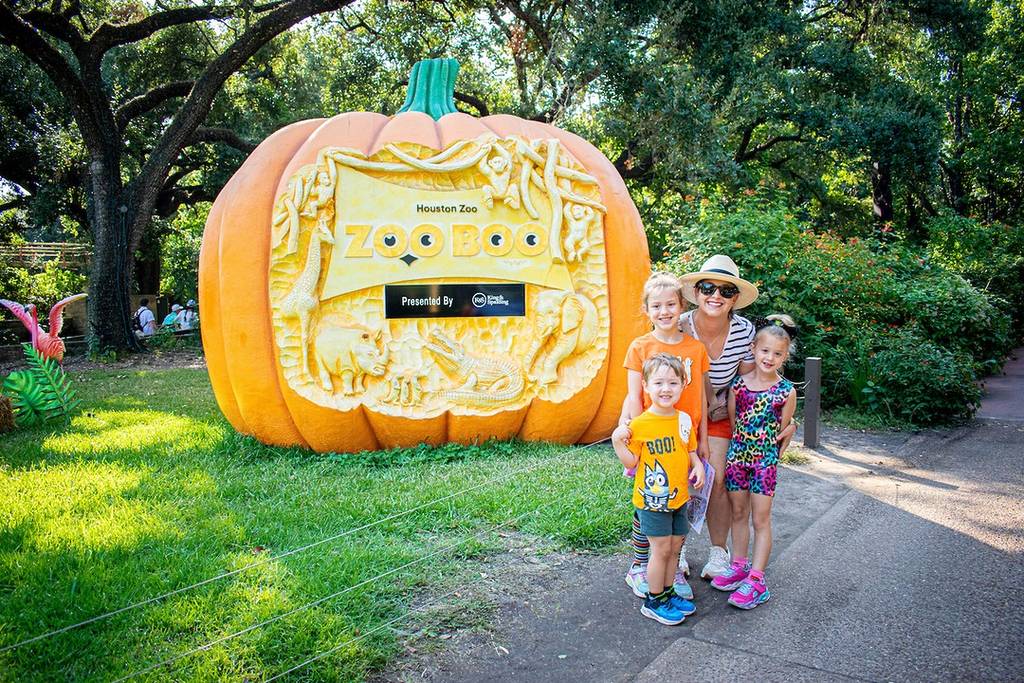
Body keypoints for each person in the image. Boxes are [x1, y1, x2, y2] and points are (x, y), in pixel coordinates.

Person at [677, 254, 795, 579]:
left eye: (726, 291)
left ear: (735, 299)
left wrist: (787, 419)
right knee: (680, 479)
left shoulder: (744, 331)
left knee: (716, 481)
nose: (716, 295)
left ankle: (719, 552)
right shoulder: (679, 324)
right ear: (697, 292)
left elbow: (747, 383)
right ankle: (677, 550)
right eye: (708, 287)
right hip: (681, 413)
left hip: (719, 412)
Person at [619, 272, 709, 602]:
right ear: (647, 309)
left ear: (681, 306)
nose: (664, 311)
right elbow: (632, 396)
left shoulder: (695, 348)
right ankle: (641, 565)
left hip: (684, 442)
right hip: (650, 439)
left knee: (678, 501)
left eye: (670, 304)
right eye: (656, 306)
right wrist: (629, 435)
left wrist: (702, 441)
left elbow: (699, 397)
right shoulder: (640, 347)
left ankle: (673, 566)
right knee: (650, 501)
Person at [710, 315, 797, 609]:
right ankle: (738, 565)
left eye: (777, 353)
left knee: (760, 518)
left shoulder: (787, 392)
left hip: (764, 463)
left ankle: (757, 580)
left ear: (785, 357)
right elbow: (735, 426)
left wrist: (769, 455)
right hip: (738, 457)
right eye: (764, 351)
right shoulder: (739, 386)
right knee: (737, 512)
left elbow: (782, 433)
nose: (769, 358)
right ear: (754, 349)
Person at [612, 353, 705, 625]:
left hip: (679, 498)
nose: (666, 389)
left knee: (675, 548)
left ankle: (667, 592)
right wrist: (619, 443)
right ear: (646, 385)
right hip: (651, 501)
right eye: (659, 383)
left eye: (673, 383)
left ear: (683, 384)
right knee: (661, 549)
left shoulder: (684, 420)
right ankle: (654, 600)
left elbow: (690, 451)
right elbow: (632, 463)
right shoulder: (640, 424)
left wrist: (697, 465)